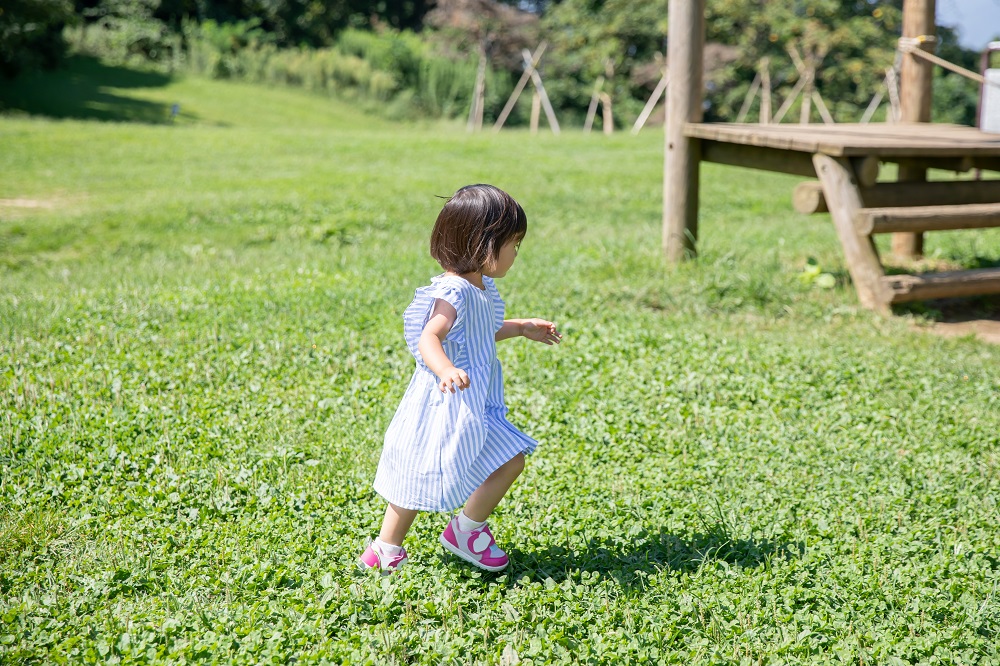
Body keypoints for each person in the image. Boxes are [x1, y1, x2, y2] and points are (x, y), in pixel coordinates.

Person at [360, 184, 562, 574]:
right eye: (513, 244)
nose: (515, 254)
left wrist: (520, 327)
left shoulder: (478, 288)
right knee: (418, 474)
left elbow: (476, 332)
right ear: (484, 244)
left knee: (510, 459)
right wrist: (445, 369)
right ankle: (385, 548)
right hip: (444, 403)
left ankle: (466, 530)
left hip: (473, 405)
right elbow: (430, 336)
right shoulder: (453, 289)